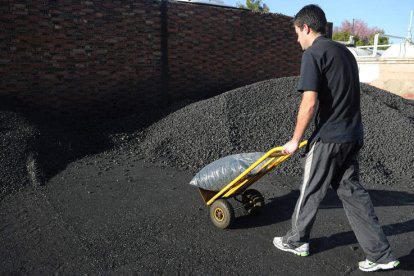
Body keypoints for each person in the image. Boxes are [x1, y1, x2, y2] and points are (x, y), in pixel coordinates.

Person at [272, 4, 400, 272]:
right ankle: (381, 254)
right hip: (352, 134)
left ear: (306, 28)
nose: (297, 40)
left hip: (330, 137)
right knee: (352, 192)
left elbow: (309, 102)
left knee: (309, 189)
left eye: (297, 33)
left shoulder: (314, 53)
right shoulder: (345, 52)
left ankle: (296, 241)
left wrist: (295, 140)